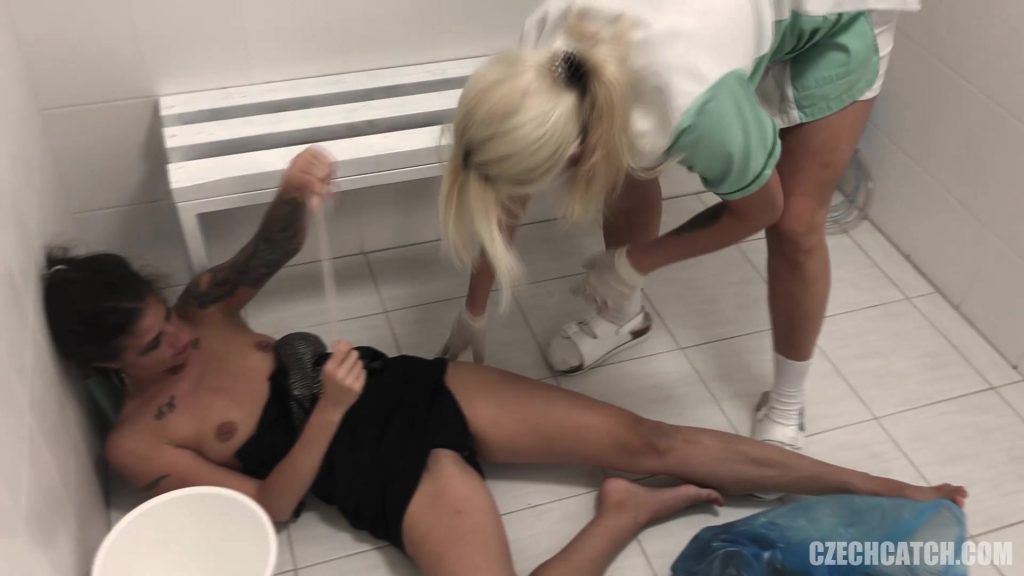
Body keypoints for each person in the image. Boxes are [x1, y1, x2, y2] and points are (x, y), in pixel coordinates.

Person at [45, 148, 965, 576]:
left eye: (165, 321)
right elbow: (268, 510)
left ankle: (888, 486)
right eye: (150, 347)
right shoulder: (136, 444)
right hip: (372, 469)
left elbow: (269, 253)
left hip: (406, 388)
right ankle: (621, 514)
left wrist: (293, 192)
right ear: (103, 365)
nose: (176, 341)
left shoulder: (204, 309)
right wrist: (324, 413)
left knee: (649, 436)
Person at [438, 0, 917, 454]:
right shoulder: (537, 55)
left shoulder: (694, 103)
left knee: (795, 223)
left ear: (573, 152)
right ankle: (623, 317)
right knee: (621, 168)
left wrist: (633, 262)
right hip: (709, 26)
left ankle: (788, 403)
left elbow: (760, 210)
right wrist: (473, 308)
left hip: (835, 16)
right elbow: (506, 182)